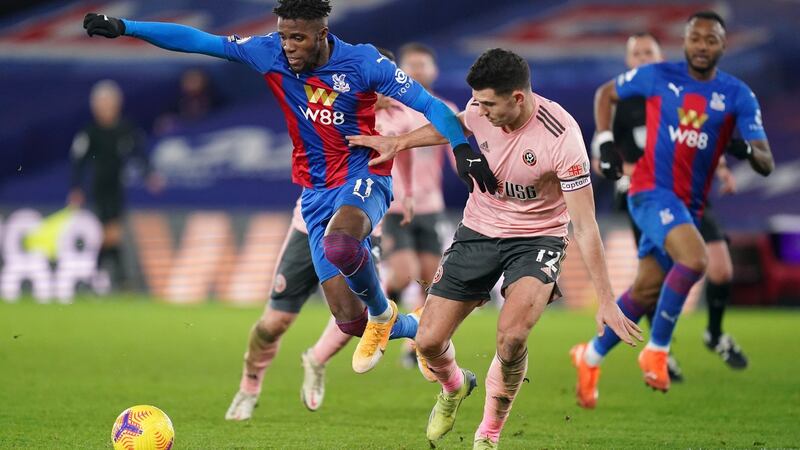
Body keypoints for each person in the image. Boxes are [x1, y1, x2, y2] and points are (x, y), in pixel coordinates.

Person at [83, 0, 496, 373]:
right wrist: (126, 26)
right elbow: (198, 41)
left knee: (341, 243)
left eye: (297, 38)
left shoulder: (366, 63)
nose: (288, 47)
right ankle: (400, 322)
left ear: (322, 35)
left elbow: (430, 106)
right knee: (348, 322)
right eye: (283, 36)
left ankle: (382, 314)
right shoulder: (268, 52)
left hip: (364, 175)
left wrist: (462, 148)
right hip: (315, 193)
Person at [348, 48, 642, 449]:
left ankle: (488, 434)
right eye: (477, 102)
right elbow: (453, 123)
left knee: (512, 337)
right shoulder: (479, 108)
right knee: (430, 341)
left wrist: (606, 300)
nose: (480, 112)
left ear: (517, 98)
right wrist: (399, 142)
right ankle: (454, 386)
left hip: (538, 239)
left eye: (488, 104)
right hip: (478, 230)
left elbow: (586, 226)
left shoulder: (561, 136)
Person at [572, 11, 774, 409]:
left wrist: (744, 148)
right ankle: (658, 350)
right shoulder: (658, 76)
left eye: (710, 39)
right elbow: (604, 94)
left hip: (690, 205)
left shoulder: (738, 95)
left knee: (645, 291)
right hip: (648, 190)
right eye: (694, 38)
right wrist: (606, 142)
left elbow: (765, 162)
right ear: (684, 41)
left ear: (723, 45)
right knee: (696, 259)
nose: (701, 45)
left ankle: (589, 356)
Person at [226, 49, 426, 421]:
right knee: (274, 324)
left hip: (362, 227)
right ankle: (249, 386)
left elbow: (408, 149)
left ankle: (317, 360)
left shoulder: (401, 118)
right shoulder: (338, 106)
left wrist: (409, 192)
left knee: (357, 315)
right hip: (309, 225)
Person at [596, 32, 749, 379]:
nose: (643, 58)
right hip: (648, 196)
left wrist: (722, 168)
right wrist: (629, 170)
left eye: (648, 51)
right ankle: (659, 349)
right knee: (653, 278)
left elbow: (698, 141)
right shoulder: (619, 106)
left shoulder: (675, 94)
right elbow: (601, 159)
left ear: (660, 55)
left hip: (689, 193)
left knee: (721, 268)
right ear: (628, 62)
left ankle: (713, 333)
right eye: (636, 53)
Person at [382, 43, 459, 368]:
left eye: (421, 64)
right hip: (394, 207)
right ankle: (380, 313)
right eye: (409, 65)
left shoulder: (446, 109)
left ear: (434, 69)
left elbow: (458, 157)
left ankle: (415, 346)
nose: (415, 70)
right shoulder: (390, 108)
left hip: (431, 208)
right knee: (405, 274)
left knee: (429, 281)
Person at [68, 79, 163, 291]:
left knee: (110, 234)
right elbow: (78, 161)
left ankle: (95, 278)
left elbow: (139, 153)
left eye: (109, 103)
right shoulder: (90, 132)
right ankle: (119, 280)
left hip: (117, 187)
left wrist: (150, 174)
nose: (106, 108)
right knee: (110, 234)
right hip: (99, 188)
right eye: (102, 103)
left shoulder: (125, 129)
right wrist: (76, 188)